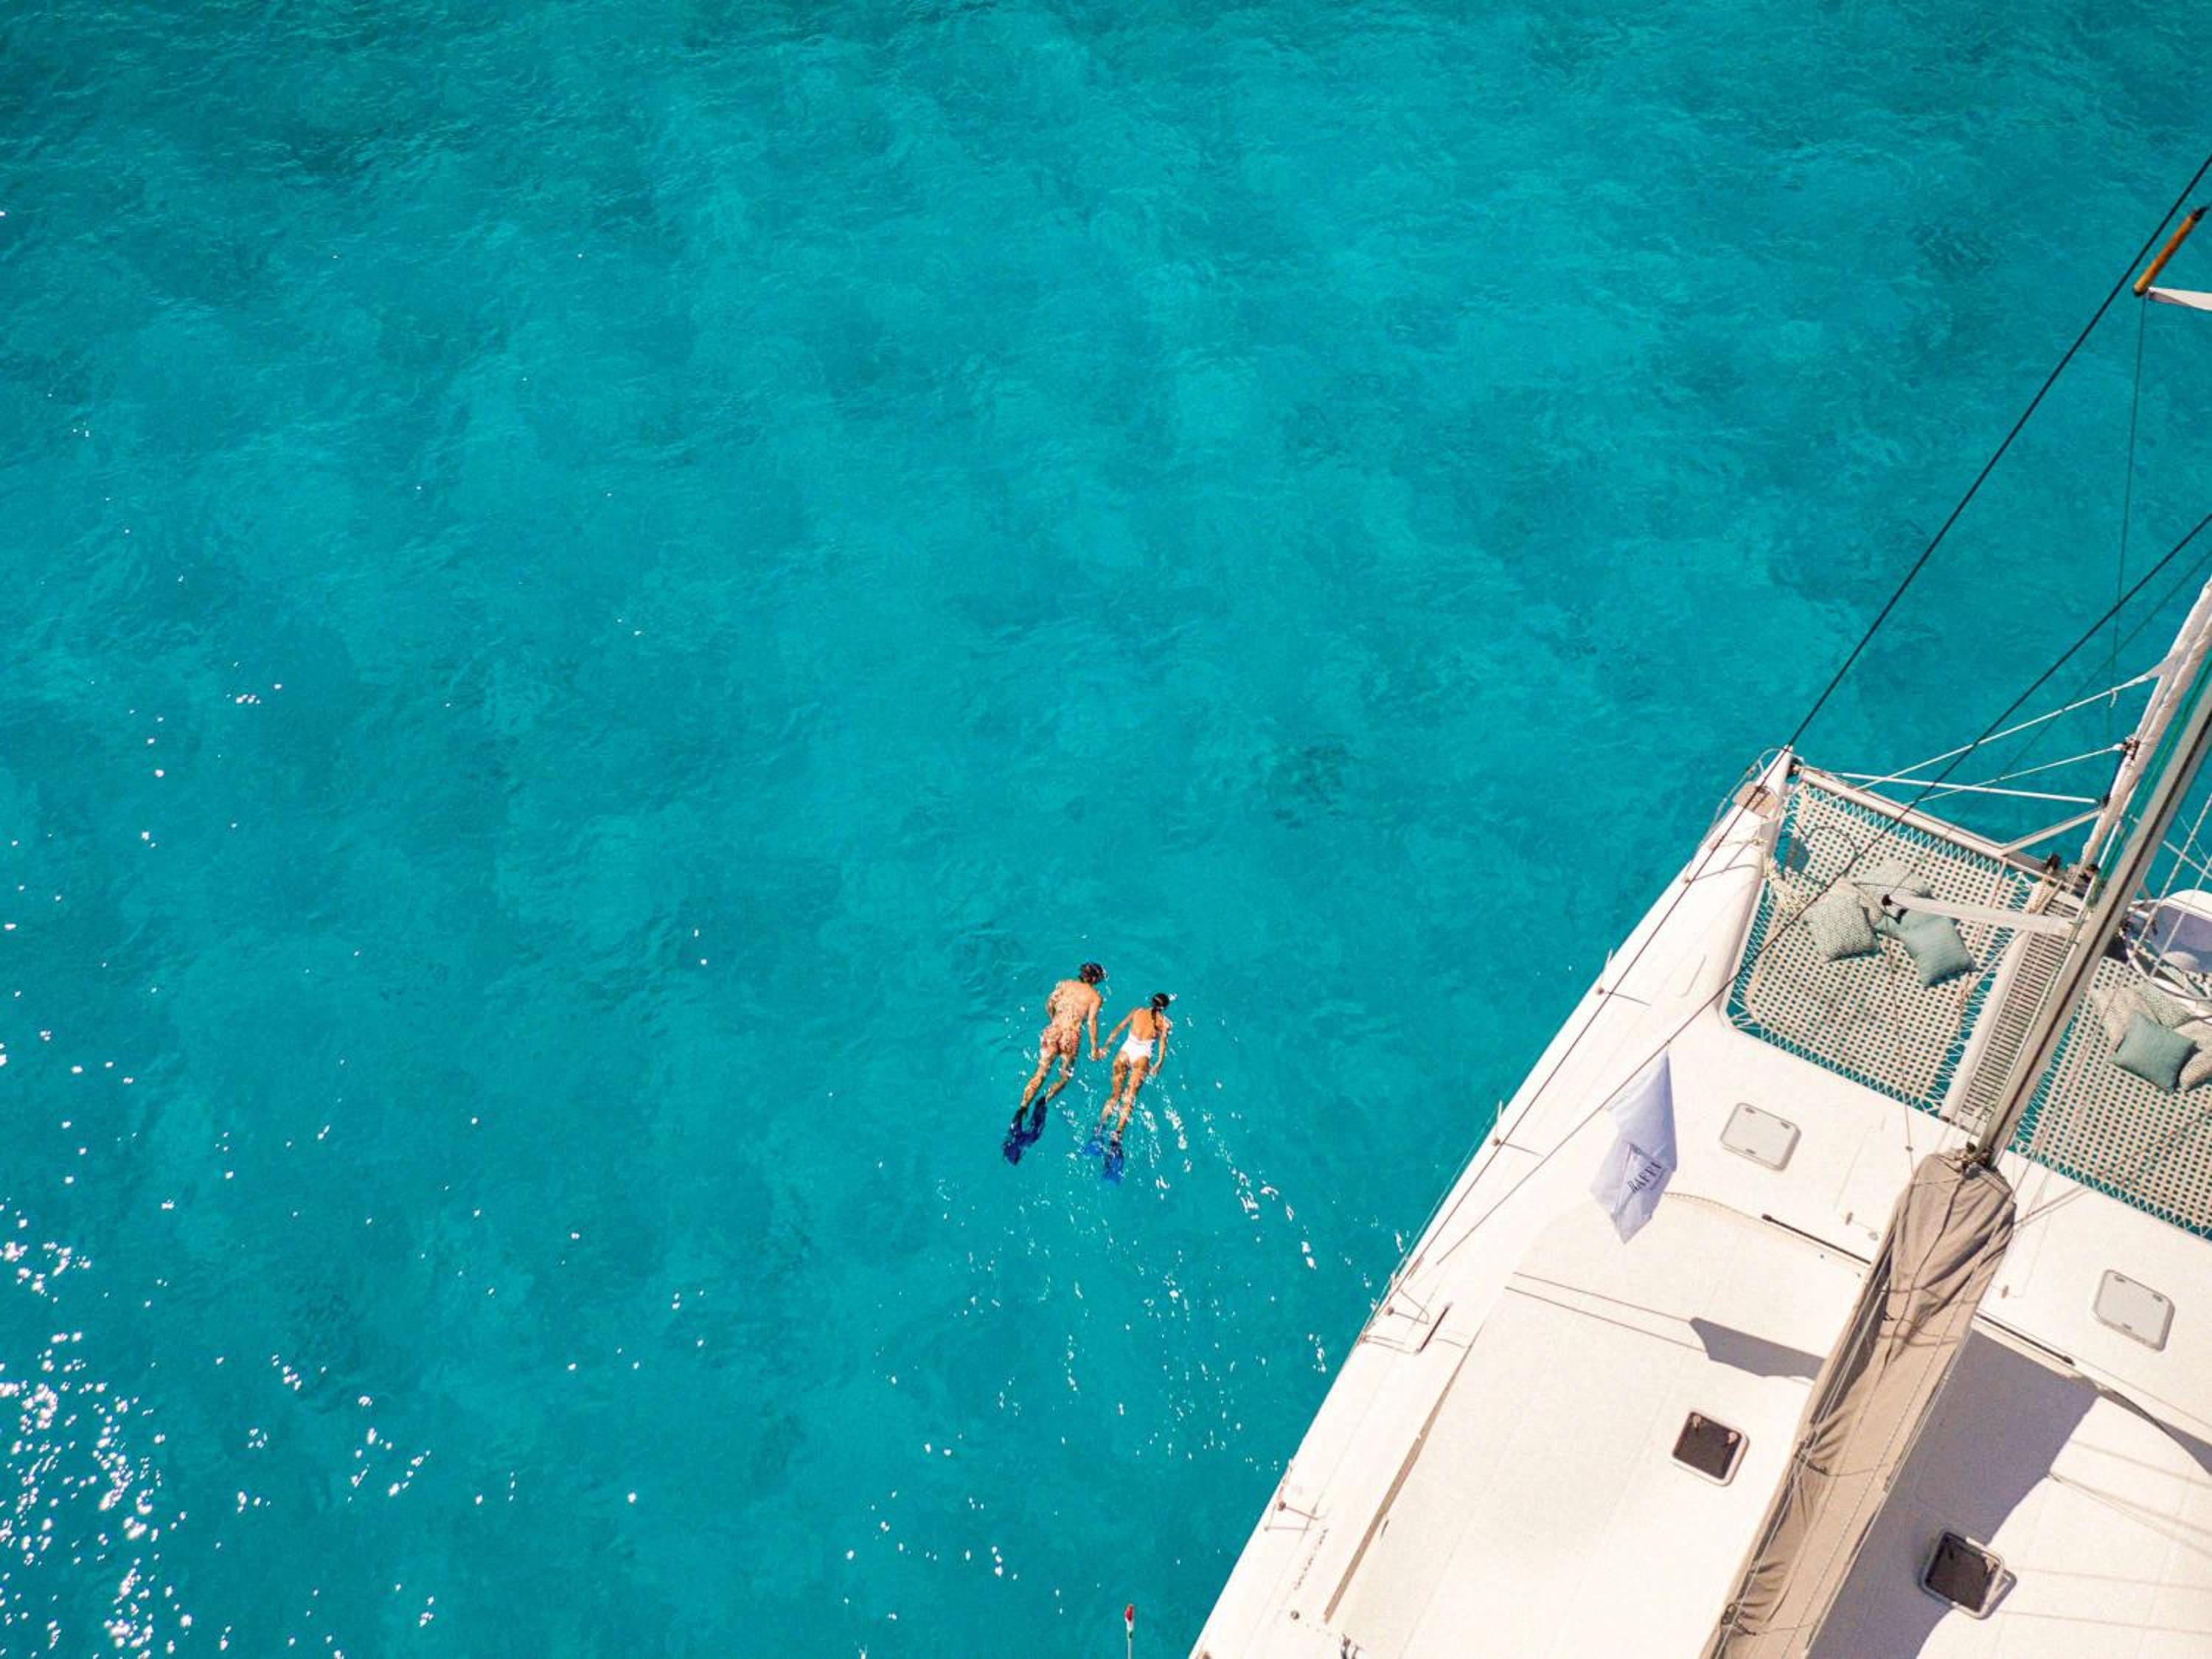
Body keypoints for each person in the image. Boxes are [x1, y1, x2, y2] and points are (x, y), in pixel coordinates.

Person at [1017, 963, 1105, 1130]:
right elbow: (1091, 1022)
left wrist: (1054, 1021)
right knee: (1064, 1077)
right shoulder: (1095, 997)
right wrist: (1094, 1048)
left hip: (1053, 1031)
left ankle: (1022, 1109)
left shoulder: (1064, 984)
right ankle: (1043, 1101)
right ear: (1094, 979)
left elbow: (1049, 1004)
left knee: (1040, 1073)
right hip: (1070, 1036)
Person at [1096, 993, 1173, 1154]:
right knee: (1129, 1097)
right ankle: (1117, 1133)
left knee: (1114, 1095)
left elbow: (1119, 1028)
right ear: (1164, 1008)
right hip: (1141, 1058)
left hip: (1124, 1053)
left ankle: (1100, 1127)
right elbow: (1162, 1044)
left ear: (1151, 1002)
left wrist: (1106, 1046)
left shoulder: (1137, 1011)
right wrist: (1159, 1063)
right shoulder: (1164, 1023)